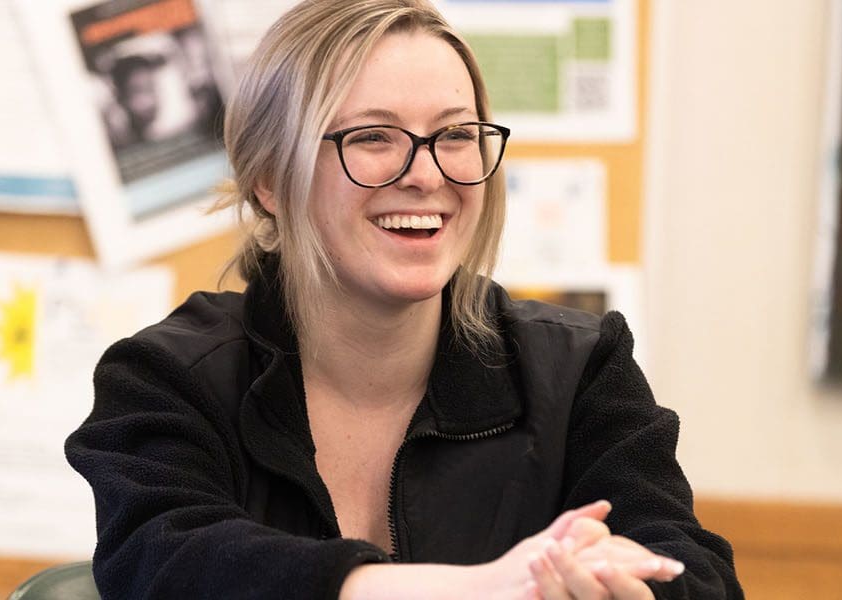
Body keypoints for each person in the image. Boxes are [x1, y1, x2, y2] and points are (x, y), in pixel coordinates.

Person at [65, 1, 743, 598]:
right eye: (371, 138)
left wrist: (617, 584)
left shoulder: (581, 368)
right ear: (270, 179)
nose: (426, 175)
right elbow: (164, 564)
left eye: (454, 135)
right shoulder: (166, 380)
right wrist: (479, 591)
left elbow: (691, 571)